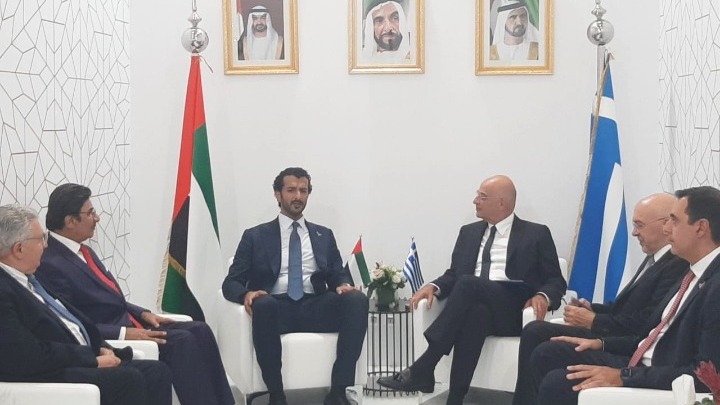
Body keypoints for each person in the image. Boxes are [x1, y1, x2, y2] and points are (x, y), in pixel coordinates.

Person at [35, 184, 234, 405]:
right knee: (182, 341)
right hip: (112, 335)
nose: (97, 218)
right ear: (70, 221)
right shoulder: (50, 263)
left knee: (200, 329)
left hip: (133, 322)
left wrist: (143, 313)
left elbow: (110, 296)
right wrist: (124, 333)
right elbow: (71, 321)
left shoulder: (83, 250)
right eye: (90, 213)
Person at [377, 175, 567, 405]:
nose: (475, 201)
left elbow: (555, 280)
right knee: (476, 313)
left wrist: (543, 296)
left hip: (514, 310)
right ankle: (455, 399)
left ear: (501, 203)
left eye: (482, 197)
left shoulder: (536, 233)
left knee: (468, 283)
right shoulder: (468, 232)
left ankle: (425, 366)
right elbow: (453, 274)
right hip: (478, 304)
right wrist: (433, 286)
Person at [526, 186, 720, 405]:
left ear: (701, 228)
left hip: (658, 377)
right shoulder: (692, 273)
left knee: (557, 384)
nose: (667, 230)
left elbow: (707, 375)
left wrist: (624, 376)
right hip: (642, 360)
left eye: (674, 221)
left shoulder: (714, 285)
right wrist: (601, 344)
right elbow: (651, 335)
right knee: (548, 354)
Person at [222, 167, 368, 405]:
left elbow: (337, 273)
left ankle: (339, 391)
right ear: (278, 194)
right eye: (291, 190)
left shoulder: (324, 235)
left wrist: (343, 284)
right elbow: (231, 282)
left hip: (315, 305)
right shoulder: (255, 236)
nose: (298, 196)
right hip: (275, 308)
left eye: (303, 190)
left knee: (357, 300)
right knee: (264, 304)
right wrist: (246, 294)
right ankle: (276, 394)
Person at [0, 204, 172, 405]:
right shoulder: (4, 289)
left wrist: (102, 348)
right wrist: (91, 359)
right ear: (19, 249)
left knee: (156, 371)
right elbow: (24, 354)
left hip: (78, 357)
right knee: (128, 380)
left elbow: (72, 320)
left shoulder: (31, 279)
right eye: (41, 239)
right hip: (48, 372)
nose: (45, 246)